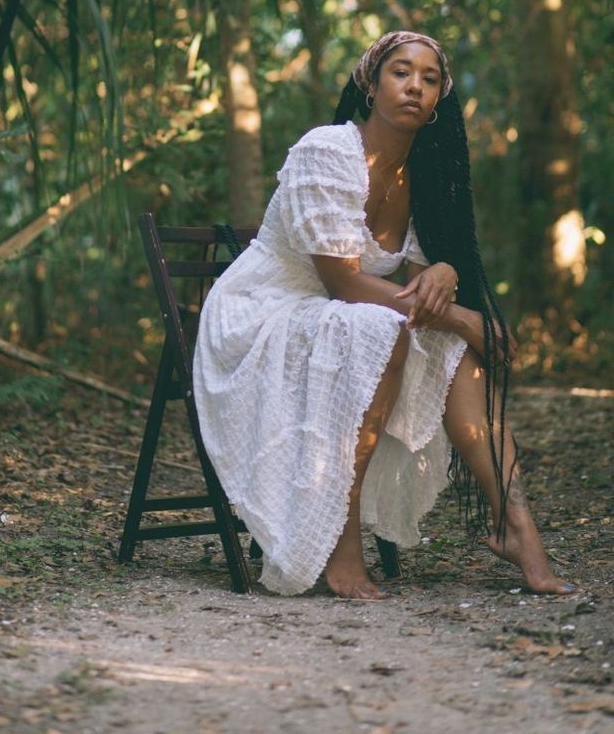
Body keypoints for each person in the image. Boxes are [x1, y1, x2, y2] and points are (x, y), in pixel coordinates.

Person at [193, 31, 575, 600]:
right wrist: (464, 316)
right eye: (401, 72)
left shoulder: (424, 173)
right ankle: (339, 544)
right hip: (263, 309)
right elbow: (344, 280)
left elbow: (415, 283)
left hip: (333, 313)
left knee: (447, 346)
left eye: (429, 78)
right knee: (394, 328)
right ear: (370, 85)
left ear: (440, 98)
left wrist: (445, 270)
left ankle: (516, 526)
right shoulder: (327, 151)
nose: (415, 87)